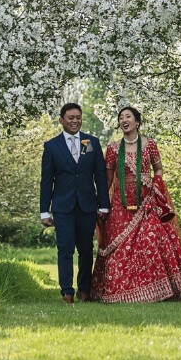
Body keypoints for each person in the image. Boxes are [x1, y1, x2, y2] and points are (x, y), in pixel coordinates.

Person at [90, 106, 181, 302]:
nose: (124, 120)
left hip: (147, 203)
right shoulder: (113, 149)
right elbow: (108, 179)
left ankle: (158, 292)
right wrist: (101, 203)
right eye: (121, 117)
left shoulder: (150, 144)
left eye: (128, 116)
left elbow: (159, 169)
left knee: (152, 241)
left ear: (137, 121)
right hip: (121, 205)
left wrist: (156, 183)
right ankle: (119, 294)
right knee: (120, 249)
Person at [39, 102, 110, 303]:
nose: (75, 121)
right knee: (65, 249)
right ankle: (67, 292)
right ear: (62, 120)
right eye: (71, 118)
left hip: (87, 206)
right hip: (62, 207)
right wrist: (44, 211)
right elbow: (46, 180)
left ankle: (84, 289)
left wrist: (103, 205)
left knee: (86, 249)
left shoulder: (90, 142)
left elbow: (100, 176)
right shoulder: (52, 146)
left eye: (78, 117)